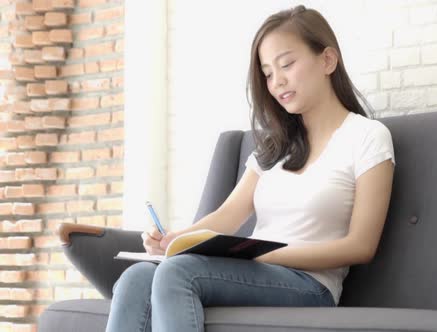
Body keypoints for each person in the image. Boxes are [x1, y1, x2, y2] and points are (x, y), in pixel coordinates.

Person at [105, 5, 395, 332]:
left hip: (310, 285)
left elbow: (361, 246)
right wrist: (174, 240)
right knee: (137, 276)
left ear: (327, 60)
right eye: (268, 73)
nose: (277, 82)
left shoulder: (367, 137)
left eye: (287, 64)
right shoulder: (274, 145)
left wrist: (265, 256)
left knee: (178, 273)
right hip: (253, 269)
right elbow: (229, 215)